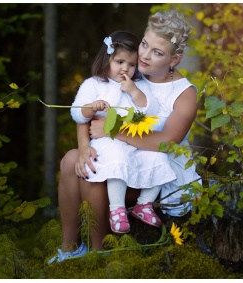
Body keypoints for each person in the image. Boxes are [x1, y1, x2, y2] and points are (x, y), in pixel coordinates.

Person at [48, 9, 200, 264]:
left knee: (95, 169)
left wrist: (113, 130)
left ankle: (99, 251)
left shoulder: (184, 93)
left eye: (157, 52)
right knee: (72, 159)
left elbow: (167, 143)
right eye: (144, 44)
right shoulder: (130, 74)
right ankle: (70, 248)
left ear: (175, 59)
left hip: (160, 172)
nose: (144, 56)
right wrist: (84, 146)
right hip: (125, 158)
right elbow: (88, 115)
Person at [69, 30, 176, 235]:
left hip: (134, 142)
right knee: (117, 158)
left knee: (160, 158)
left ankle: (143, 205)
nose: (125, 68)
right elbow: (77, 114)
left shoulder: (139, 85)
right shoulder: (93, 84)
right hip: (107, 143)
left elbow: (150, 111)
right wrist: (91, 107)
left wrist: (134, 91)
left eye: (132, 64)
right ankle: (116, 210)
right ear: (107, 59)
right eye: (120, 62)